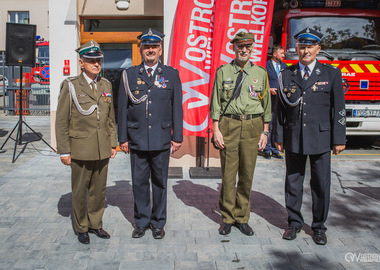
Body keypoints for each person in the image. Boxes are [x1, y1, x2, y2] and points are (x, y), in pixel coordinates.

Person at [273, 27, 346, 245]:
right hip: (294, 136)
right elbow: (281, 110)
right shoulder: (287, 74)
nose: (306, 51)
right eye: (302, 47)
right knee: (293, 183)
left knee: (321, 184)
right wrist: (278, 136)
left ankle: (319, 227)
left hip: (321, 138)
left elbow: (338, 109)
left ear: (318, 49)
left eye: (310, 47)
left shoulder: (331, 74)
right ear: (297, 48)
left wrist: (339, 139)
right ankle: (294, 223)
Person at [118, 28, 183, 240]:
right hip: (136, 139)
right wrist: (123, 138)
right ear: (140, 49)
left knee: (160, 183)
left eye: (154, 46)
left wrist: (177, 136)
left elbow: (177, 108)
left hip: (162, 138)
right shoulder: (129, 75)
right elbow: (121, 109)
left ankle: (158, 223)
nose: (150, 50)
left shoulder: (171, 75)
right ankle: (142, 222)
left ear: (160, 49)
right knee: (139, 183)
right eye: (147, 46)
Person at [55, 40, 117, 244]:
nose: (95, 64)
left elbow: (110, 118)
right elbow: (62, 120)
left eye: (98, 60)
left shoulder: (106, 84)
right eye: (91, 60)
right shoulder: (71, 85)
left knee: (99, 190)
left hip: (102, 148)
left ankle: (95, 224)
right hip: (80, 148)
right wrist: (64, 150)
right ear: (81, 62)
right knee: (80, 190)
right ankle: (81, 226)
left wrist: (113, 143)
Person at [210, 31, 271, 236]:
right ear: (233, 48)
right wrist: (216, 129)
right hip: (229, 125)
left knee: (247, 174)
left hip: (253, 126)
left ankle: (242, 217)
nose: (243, 50)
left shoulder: (260, 73)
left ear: (252, 48)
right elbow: (216, 102)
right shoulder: (223, 71)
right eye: (239, 46)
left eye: (247, 47)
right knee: (228, 174)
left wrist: (265, 131)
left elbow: (266, 104)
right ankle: (227, 217)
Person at [261, 44, 287, 159]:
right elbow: (262, 81)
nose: (283, 55)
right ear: (275, 54)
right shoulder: (265, 65)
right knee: (269, 124)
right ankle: (267, 149)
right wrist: (269, 89)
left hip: (280, 101)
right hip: (269, 101)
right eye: (281, 53)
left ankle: (275, 149)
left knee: (277, 125)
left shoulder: (285, 67)